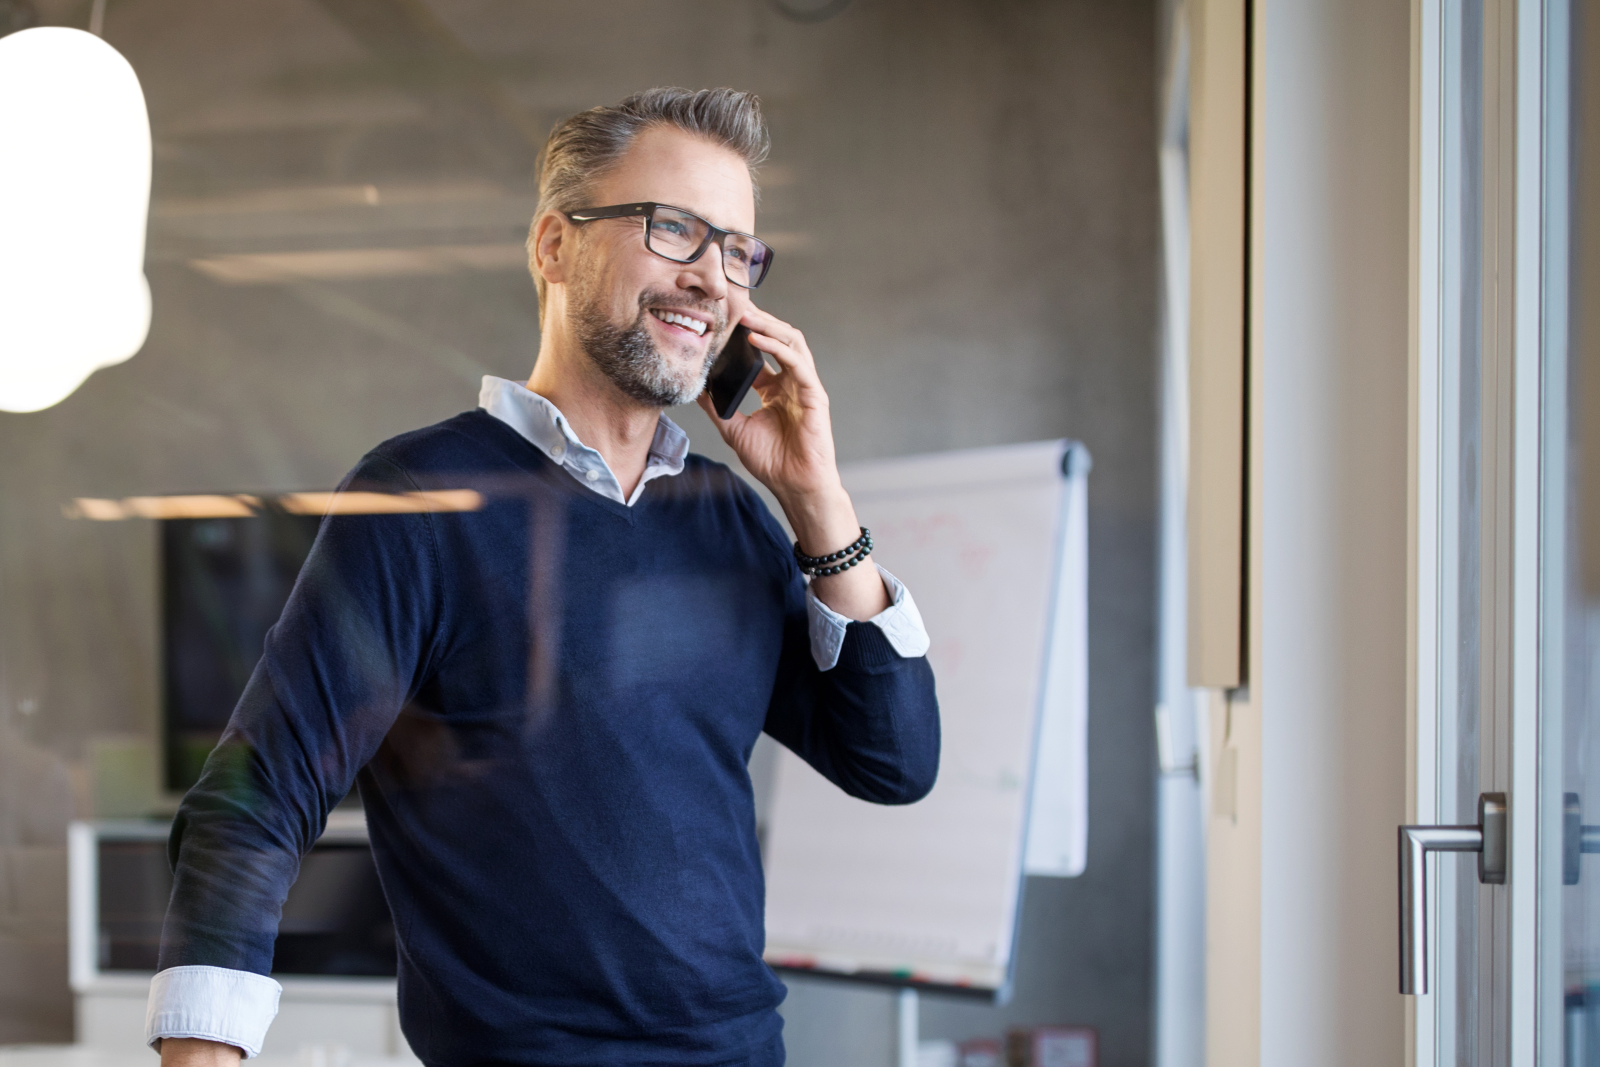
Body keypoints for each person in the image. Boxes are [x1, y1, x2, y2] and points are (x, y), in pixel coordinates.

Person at [149, 87, 940, 1067]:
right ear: (553, 246)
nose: (712, 280)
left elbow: (893, 760)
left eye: (736, 250)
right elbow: (257, 789)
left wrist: (814, 493)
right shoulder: (419, 501)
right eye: (674, 230)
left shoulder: (729, 513)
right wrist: (200, 1052)